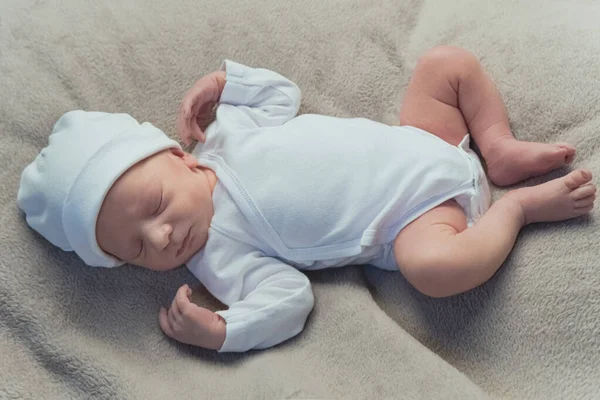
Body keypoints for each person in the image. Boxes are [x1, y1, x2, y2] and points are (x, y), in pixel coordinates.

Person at [18, 46, 596, 353]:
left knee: (444, 65)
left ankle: (496, 147)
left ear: (180, 158)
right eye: (135, 250)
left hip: (427, 139)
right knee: (435, 270)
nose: (160, 238)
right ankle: (515, 210)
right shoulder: (218, 257)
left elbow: (282, 97)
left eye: (153, 210)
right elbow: (289, 298)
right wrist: (225, 330)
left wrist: (226, 84)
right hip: (416, 220)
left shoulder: (225, 135)